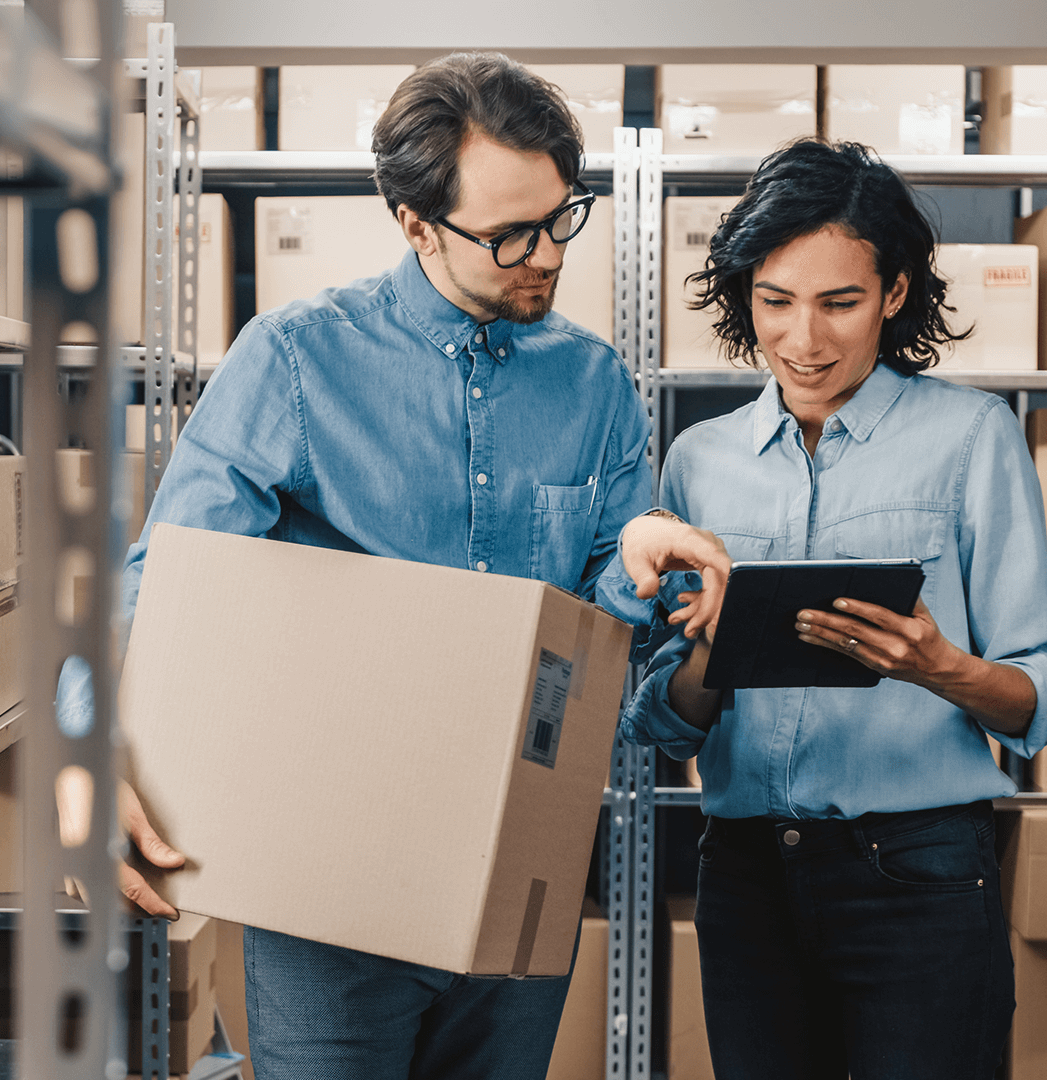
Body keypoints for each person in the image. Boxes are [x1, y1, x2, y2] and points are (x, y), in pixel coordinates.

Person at [94, 51, 733, 1079]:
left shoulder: (596, 386)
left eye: (560, 218)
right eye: (507, 235)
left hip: (521, 866)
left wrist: (640, 560)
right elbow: (165, 581)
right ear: (413, 221)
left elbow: (606, 625)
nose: (546, 256)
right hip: (329, 882)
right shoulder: (298, 361)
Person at [619, 139, 1047, 1080]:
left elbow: (1043, 696)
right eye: (776, 301)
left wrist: (936, 666)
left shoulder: (971, 438)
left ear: (896, 293)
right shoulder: (698, 462)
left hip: (919, 871)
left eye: (840, 303)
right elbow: (666, 725)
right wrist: (710, 646)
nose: (804, 340)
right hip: (745, 875)